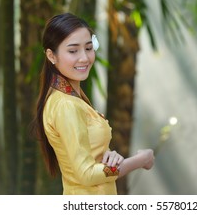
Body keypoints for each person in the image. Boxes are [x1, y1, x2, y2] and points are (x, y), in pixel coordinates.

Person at [31, 12, 154, 195]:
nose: (84, 58)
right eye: (73, 51)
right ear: (51, 55)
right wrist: (141, 159)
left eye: (89, 48)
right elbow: (86, 175)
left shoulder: (70, 97)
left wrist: (110, 156)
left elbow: (90, 157)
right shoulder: (66, 105)